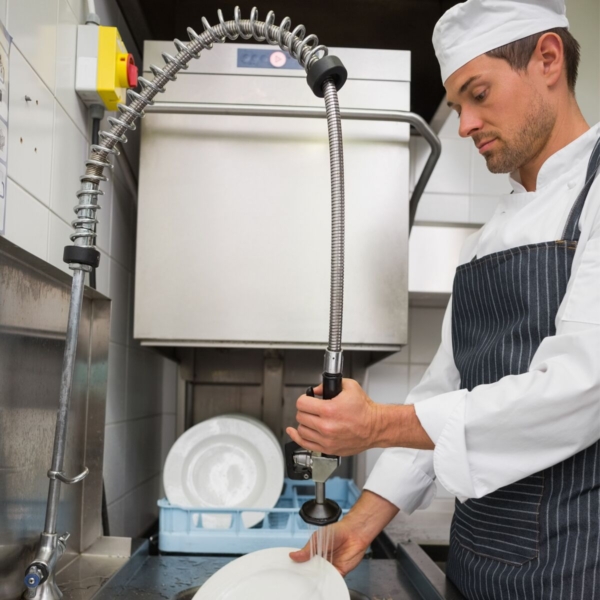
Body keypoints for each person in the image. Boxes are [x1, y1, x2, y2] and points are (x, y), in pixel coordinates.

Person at [286, 0, 600, 597]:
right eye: (457, 106)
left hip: (574, 569)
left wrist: (377, 424)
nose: (464, 125)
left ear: (548, 59)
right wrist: (359, 524)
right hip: (475, 567)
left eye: (479, 94)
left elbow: (581, 388)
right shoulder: (486, 239)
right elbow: (446, 393)